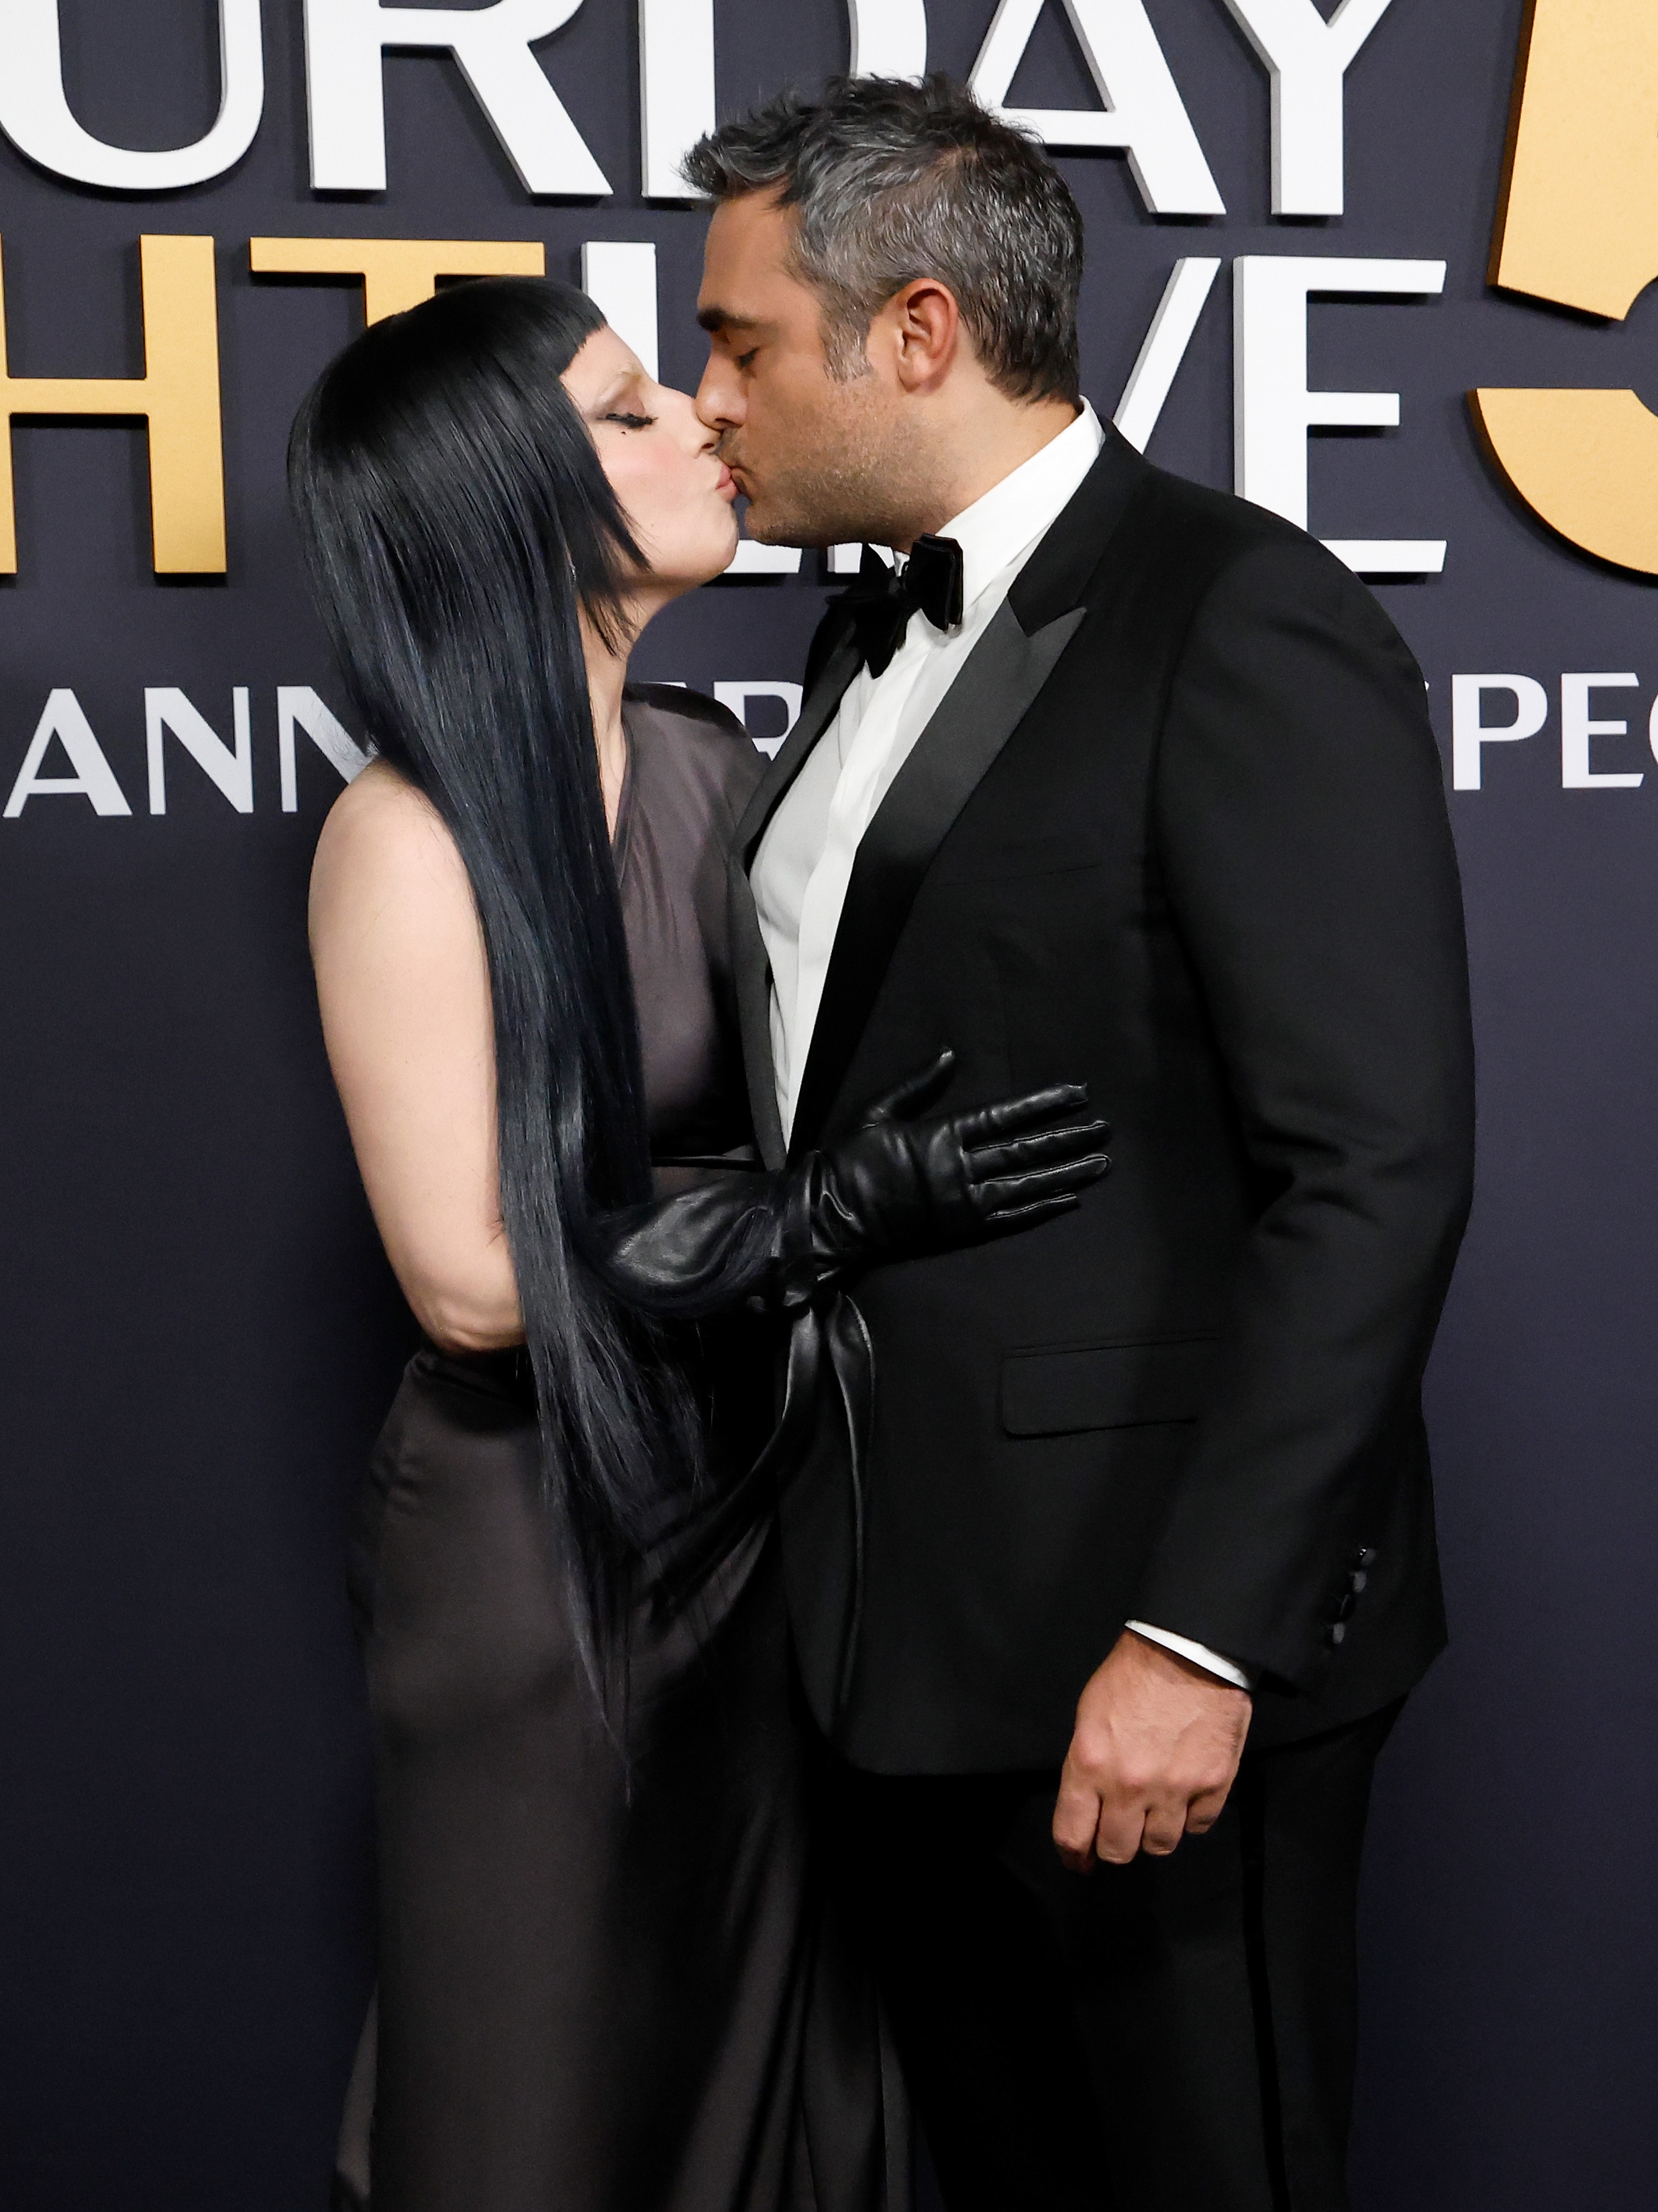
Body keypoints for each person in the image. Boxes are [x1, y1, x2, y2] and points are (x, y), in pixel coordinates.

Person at [682, 74, 1475, 2212]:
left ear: (918, 334)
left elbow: (1374, 1164)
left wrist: (1201, 1640)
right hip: (893, 1642)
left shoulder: (1242, 618)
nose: (709, 396)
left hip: (1150, 1668)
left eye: (742, 342)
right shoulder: (854, 632)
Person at [287, 276, 1110, 2212]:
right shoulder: (408, 837)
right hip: (541, 1550)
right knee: (548, 2099)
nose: (705, 424)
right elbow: (471, 1279)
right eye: (633, 408)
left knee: (798, 2091)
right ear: (513, 496)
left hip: (767, 1519)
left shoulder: (716, 765)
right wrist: (829, 1214)